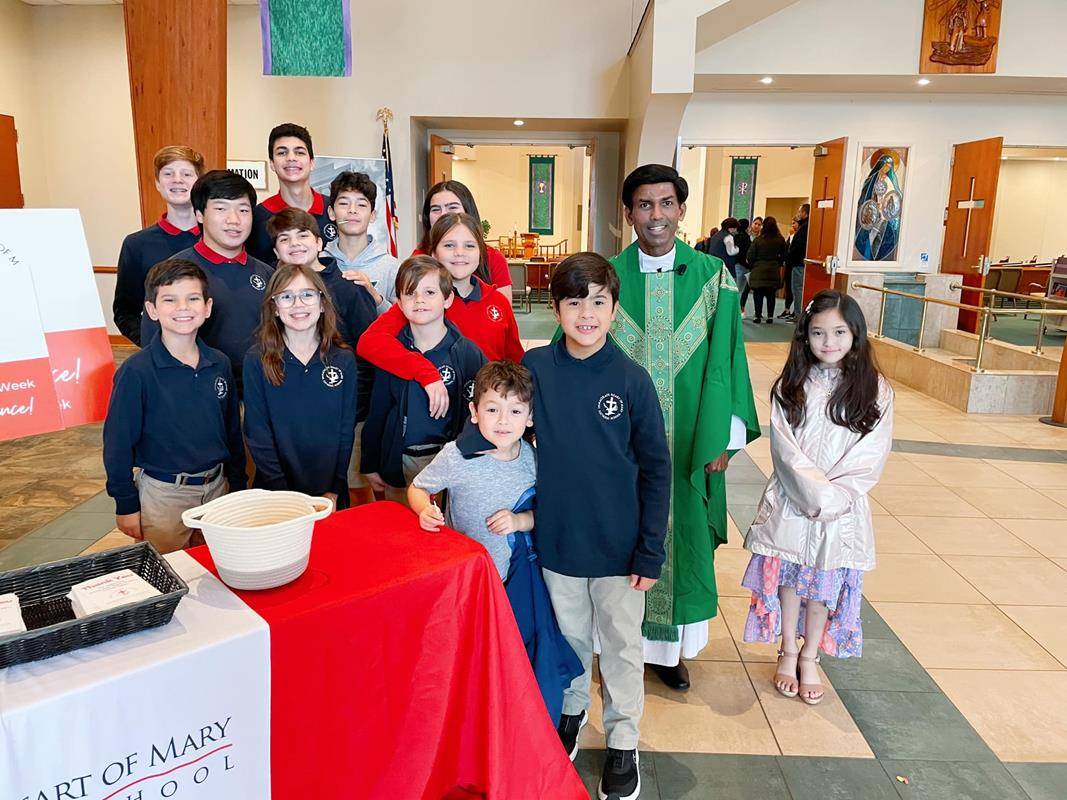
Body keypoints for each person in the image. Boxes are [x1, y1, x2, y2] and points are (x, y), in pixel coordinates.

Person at [523, 253, 671, 800]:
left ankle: (623, 740)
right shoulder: (536, 369)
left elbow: (657, 469)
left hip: (619, 550)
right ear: (555, 308)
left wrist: (649, 553)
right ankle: (570, 716)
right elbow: (503, 428)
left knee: (621, 648)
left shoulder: (631, 380)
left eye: (599, 302)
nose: (586, 313)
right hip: (558, 542)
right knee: (567, 641)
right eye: (574, 301)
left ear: (614, 310)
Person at [609, 165, 760, 693]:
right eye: (644, 205)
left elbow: (729, 361)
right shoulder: (605, 278)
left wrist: (725, 436)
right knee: (617, 533)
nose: (656, 216)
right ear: (628, 214)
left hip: (690, 439)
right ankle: (618, 645)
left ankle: (668, 650)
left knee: (684, 535)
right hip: (618, 445)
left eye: (666, 204)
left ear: (681, 210)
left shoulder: (712, 277)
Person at [742, 290, 893, 704]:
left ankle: (811, 656)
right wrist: (813, 493)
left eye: (839, 332)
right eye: (818, 333)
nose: (829, 342)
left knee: (823, 586)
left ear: (855, 334)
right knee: (789, 582)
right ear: (804, 337)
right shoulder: (792, 386)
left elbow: (870, 454)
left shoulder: (875, 390)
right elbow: (785, 450)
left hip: (841, 511)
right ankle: (788, 650)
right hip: (793, 504)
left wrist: (834, 497)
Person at [103, 259, 245, 554]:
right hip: (164, 496)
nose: (183, 308)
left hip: (217, 488)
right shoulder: (137, 372)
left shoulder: (218, 363)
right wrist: (125, 502)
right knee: (169, 575)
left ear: (207, 307)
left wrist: (237, 484)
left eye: (193, 298)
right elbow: (117, 443)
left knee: (216, 569)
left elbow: (231, 430)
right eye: (170, 299)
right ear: (152, 310)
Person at [355, 213, 523, 425]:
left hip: (487, 418)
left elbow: (515, 361)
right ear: (433, 253)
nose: (460, 253)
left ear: (481, 252)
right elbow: (369, 343)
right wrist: (424, 371)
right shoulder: (420, 303)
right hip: (432, 416)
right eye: (449, 245)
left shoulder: (497, 301)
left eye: (470, 246)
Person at [268, 206, 378, 505]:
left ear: (319, 242)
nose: (295, 245)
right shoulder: (271, 290)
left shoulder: (347, 287)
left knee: (351, 496)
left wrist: (354, 408)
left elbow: (369, 353)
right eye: (284, 239)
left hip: (346, 414)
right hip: (290, 422)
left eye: (302, 236)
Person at [360, 255, 485, 503]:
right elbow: (379, 410)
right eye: (410, 293)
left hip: (449, 462)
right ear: (399, 302)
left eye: (429, 292)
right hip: (399, 460)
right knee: (402, 533)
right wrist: (371, 462)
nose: (419, 300)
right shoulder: (392, 353)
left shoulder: (466, 354)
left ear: (447, 299)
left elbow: (476, 414)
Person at [141, 170, 274, 392]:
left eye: (243, 210)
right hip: (195, 391)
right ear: (199, 214)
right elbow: (152, 344)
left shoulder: (268, 274)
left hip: (260, 392)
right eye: (221, 209)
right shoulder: (172, 272)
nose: (234, 220)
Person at [242, 264, 357, 509]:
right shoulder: (257, 360)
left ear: (322, 303)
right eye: (286, 296)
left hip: (329, 493)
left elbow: (345, 431)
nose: (298, 304)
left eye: (307, 294)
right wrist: (285, 497)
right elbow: (258, 433)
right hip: (276, 494)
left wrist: (334, 489)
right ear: (274, 307)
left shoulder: (343, 359)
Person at [114, 146, 204, 345]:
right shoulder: (136, 245)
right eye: (168, 174)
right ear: (157, 183)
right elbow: (124, 311)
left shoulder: (219, 240)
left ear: (199, 183)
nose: (177, 180)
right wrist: (153, 345)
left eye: (187, 174)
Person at [411, 180, 513, 303]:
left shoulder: (493, 258)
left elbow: (502, 313)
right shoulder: (419, 258)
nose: (443, 214)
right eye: (435, 209)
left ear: (468, 212)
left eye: (452, 207)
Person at [248, 123, 336, 265]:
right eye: (282, 153)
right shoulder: (257, 217)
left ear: (312, 162)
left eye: (299, 152)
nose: (291, 158)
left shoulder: (334, 210)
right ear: (272, 163)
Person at [323, 170, 400, 316]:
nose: (352, 210)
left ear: (372, 216)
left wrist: (375, 298)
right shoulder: (319, 261)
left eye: (361, 205)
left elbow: (403, 323)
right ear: (331, 213)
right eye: (344, 203)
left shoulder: (391, 267)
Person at [747, 215, 787, 324]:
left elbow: (750, 256)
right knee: (771, 295)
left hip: (758, 270)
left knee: (758, 294)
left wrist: (753, 265)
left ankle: (757, 315)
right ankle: (770, 316)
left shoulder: (758, 240)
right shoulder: (780, 240)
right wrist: (777, 263)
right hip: (773, 271)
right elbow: (784, 256)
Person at [783, 203, 810, 320]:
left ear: (804, 213)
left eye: (800, 211)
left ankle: (798, 314)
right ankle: (797, 313)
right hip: (799, 262)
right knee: (797, 289)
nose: (799, 214)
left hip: (798, 263)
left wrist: (790, 257)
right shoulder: (806, 226)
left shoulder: (804, 228)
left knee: (797, 289)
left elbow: (798, 246)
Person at [740, 217, 762, 314]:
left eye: (759, 224)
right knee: (745, 289)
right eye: (755, 223)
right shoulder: (746, 236)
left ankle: (758, 311)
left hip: (757, 266)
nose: (757, 226)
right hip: (746, 265)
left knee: (757, 290)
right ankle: (741, 308)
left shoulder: (761, 238)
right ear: (752, 224)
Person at [734, 219, 753, 318]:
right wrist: (748, 266)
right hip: (743, 266)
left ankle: (735, 311)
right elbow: (745, 254)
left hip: (736, 265)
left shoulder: (735, 236)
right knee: (740, 290)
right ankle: (738, 311)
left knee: (737, 289)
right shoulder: (746, 238)